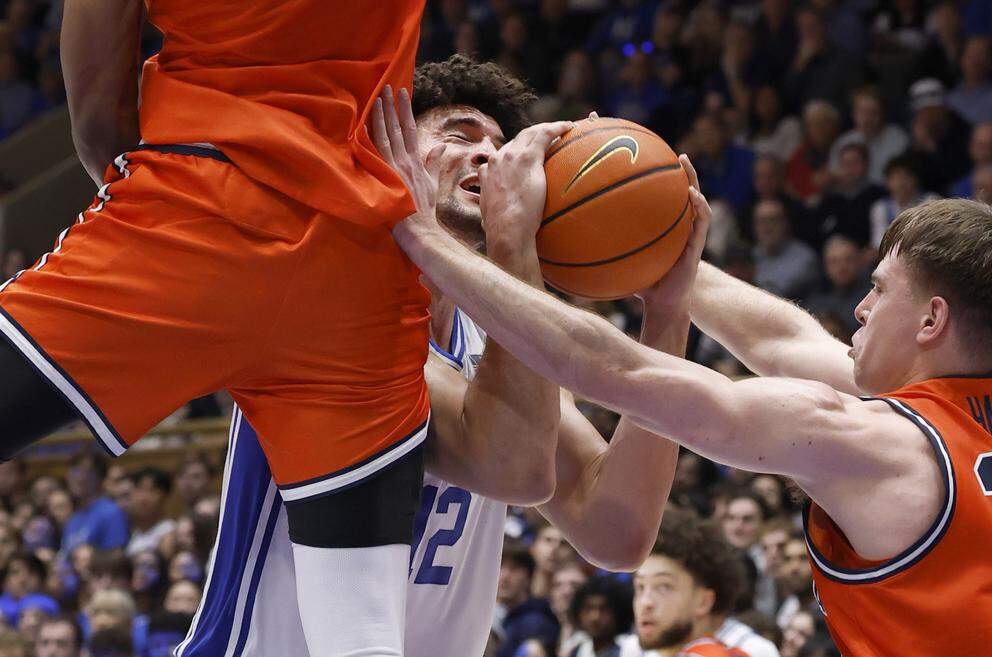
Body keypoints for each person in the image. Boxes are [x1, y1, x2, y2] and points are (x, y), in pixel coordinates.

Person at [383, 75, 992, 653]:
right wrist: (651, 238)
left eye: (876, 290)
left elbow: (616, 376)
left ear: (931, 321)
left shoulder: (874, 438)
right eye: (459, 136)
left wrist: (428, 231)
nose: (858, 310)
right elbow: (782, 340)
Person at [180, 57, 683, 657]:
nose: (490, 157)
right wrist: (513, 245)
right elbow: (515, 466)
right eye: (459, 135)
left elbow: (616, 529)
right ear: (387, 155)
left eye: (500, 145)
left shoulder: (490, 344)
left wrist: (667, 314)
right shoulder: (329, 311)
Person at [0, 0, 433, 651]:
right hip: (360, 259)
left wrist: (164, 227)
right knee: (363, 630)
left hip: (195, 202)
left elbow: (97, 111)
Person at [616, 508, 747, 657]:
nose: (646, 602)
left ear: (703, 602)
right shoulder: (633, 649)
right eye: (640, 587)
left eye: (663, 587)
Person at [58, 451, 128, 555]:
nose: (79, 478)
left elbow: (116, 555)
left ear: (100, 477)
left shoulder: (111, 512)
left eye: (86, 472)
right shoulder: (74, 517)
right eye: (75, 471)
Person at [567, 577, 633, 657]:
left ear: (618, 613)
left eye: (603, 609)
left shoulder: (629, 652)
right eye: (589, 608)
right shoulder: (576, 652)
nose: (595, 617)